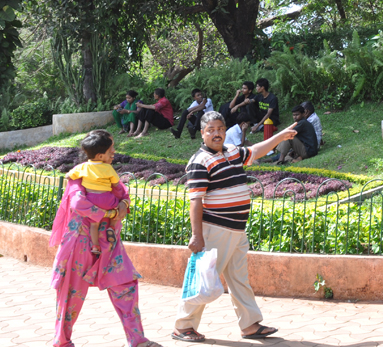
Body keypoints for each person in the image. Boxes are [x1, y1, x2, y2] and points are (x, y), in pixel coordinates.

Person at [172, 111, 297, 343]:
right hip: (216, 230)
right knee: (203, 279)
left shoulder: (232, 151)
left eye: (220, 129)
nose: (217, 134)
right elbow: (195, 200)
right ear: (202, 133)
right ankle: (183, 326)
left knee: (239, 279)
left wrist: (279, 136)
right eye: (211, 130)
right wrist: (196, 235)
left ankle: (250, 324)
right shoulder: (200, 161)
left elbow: (256, 150)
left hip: (237, 230)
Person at [49, 130, 164, 347]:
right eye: (111, 149)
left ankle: (137, 340)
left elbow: (124, 195)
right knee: (70, 294)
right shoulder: (78, 176)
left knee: (126, 284)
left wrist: (123, 205)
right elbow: (77, 204)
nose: (114, 152)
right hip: (80, 243)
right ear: (99, 153)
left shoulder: (108, 174)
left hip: (110, 242)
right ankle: (62, 342)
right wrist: (109, 214)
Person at [66, 132, 122, 255]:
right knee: (116, 210)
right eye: (110, 149)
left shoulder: (83, 167)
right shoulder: (108, 168)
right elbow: (116, 182)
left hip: (92, 200)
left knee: (94, 225)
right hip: (107, 199)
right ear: (101, 156)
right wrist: (111, 212)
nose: (113, 151)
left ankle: (95, 246)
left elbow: (69, 174)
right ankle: (111, 227)